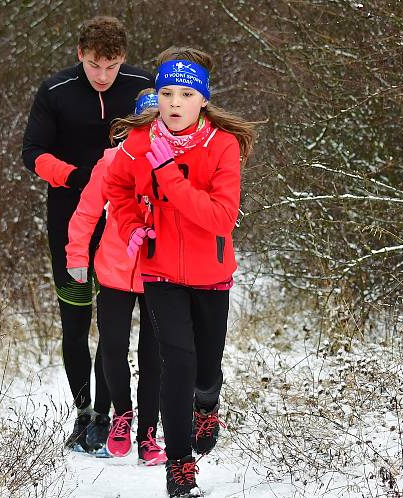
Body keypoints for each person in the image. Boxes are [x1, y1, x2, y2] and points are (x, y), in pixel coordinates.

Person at [105, 47, 257, 497]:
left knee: (205, 371)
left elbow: (219, 218)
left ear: (202, 101)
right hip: (161, 270)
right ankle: (179, 464)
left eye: (186, 94)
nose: (173, 103)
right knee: (177, 363)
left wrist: (168, 174)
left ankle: (206, 406)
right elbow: (118, 185)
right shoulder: (138, 142)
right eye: (166, 92)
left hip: (211, 273)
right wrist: (132, 224)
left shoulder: (222, 145)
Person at [21, 15, 153, 453]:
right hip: (68, 215)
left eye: (111, 66)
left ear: (124, 60)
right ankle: (83, 413)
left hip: (124, 223)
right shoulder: (55, 90)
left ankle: (108, 413)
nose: (103, 75)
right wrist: (76, 177)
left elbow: (170, 134)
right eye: (95, 64)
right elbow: (32, 152)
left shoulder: (142, 86)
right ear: (80, 55)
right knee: (76, 322)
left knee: (115, 326)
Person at [65, 89, 166, 466]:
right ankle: (120, 416)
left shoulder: (175, 162)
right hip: (114, 269)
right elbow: (87, 212)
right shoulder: (110, 162)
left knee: (153, 355)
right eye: (146, 122)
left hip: (160, 271)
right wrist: (77, 254)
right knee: (112, 347)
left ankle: (148, 434)